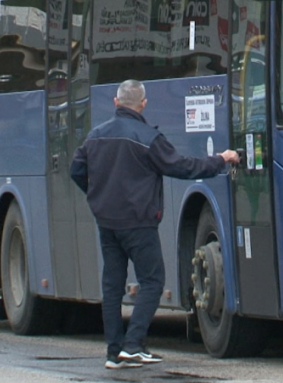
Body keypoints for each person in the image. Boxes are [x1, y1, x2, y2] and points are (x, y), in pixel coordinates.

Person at [70, 79, 239, 370]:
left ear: (115, 102)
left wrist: (98, 196)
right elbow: (184, 167)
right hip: (138, 222)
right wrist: (220, 160)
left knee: (112, 286)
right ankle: (134, 345)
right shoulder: (148, 138)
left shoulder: (95, 136)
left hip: (107, 221)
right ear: (143, 104)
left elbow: (76, 170)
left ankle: (114, 352)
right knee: (152, 281)